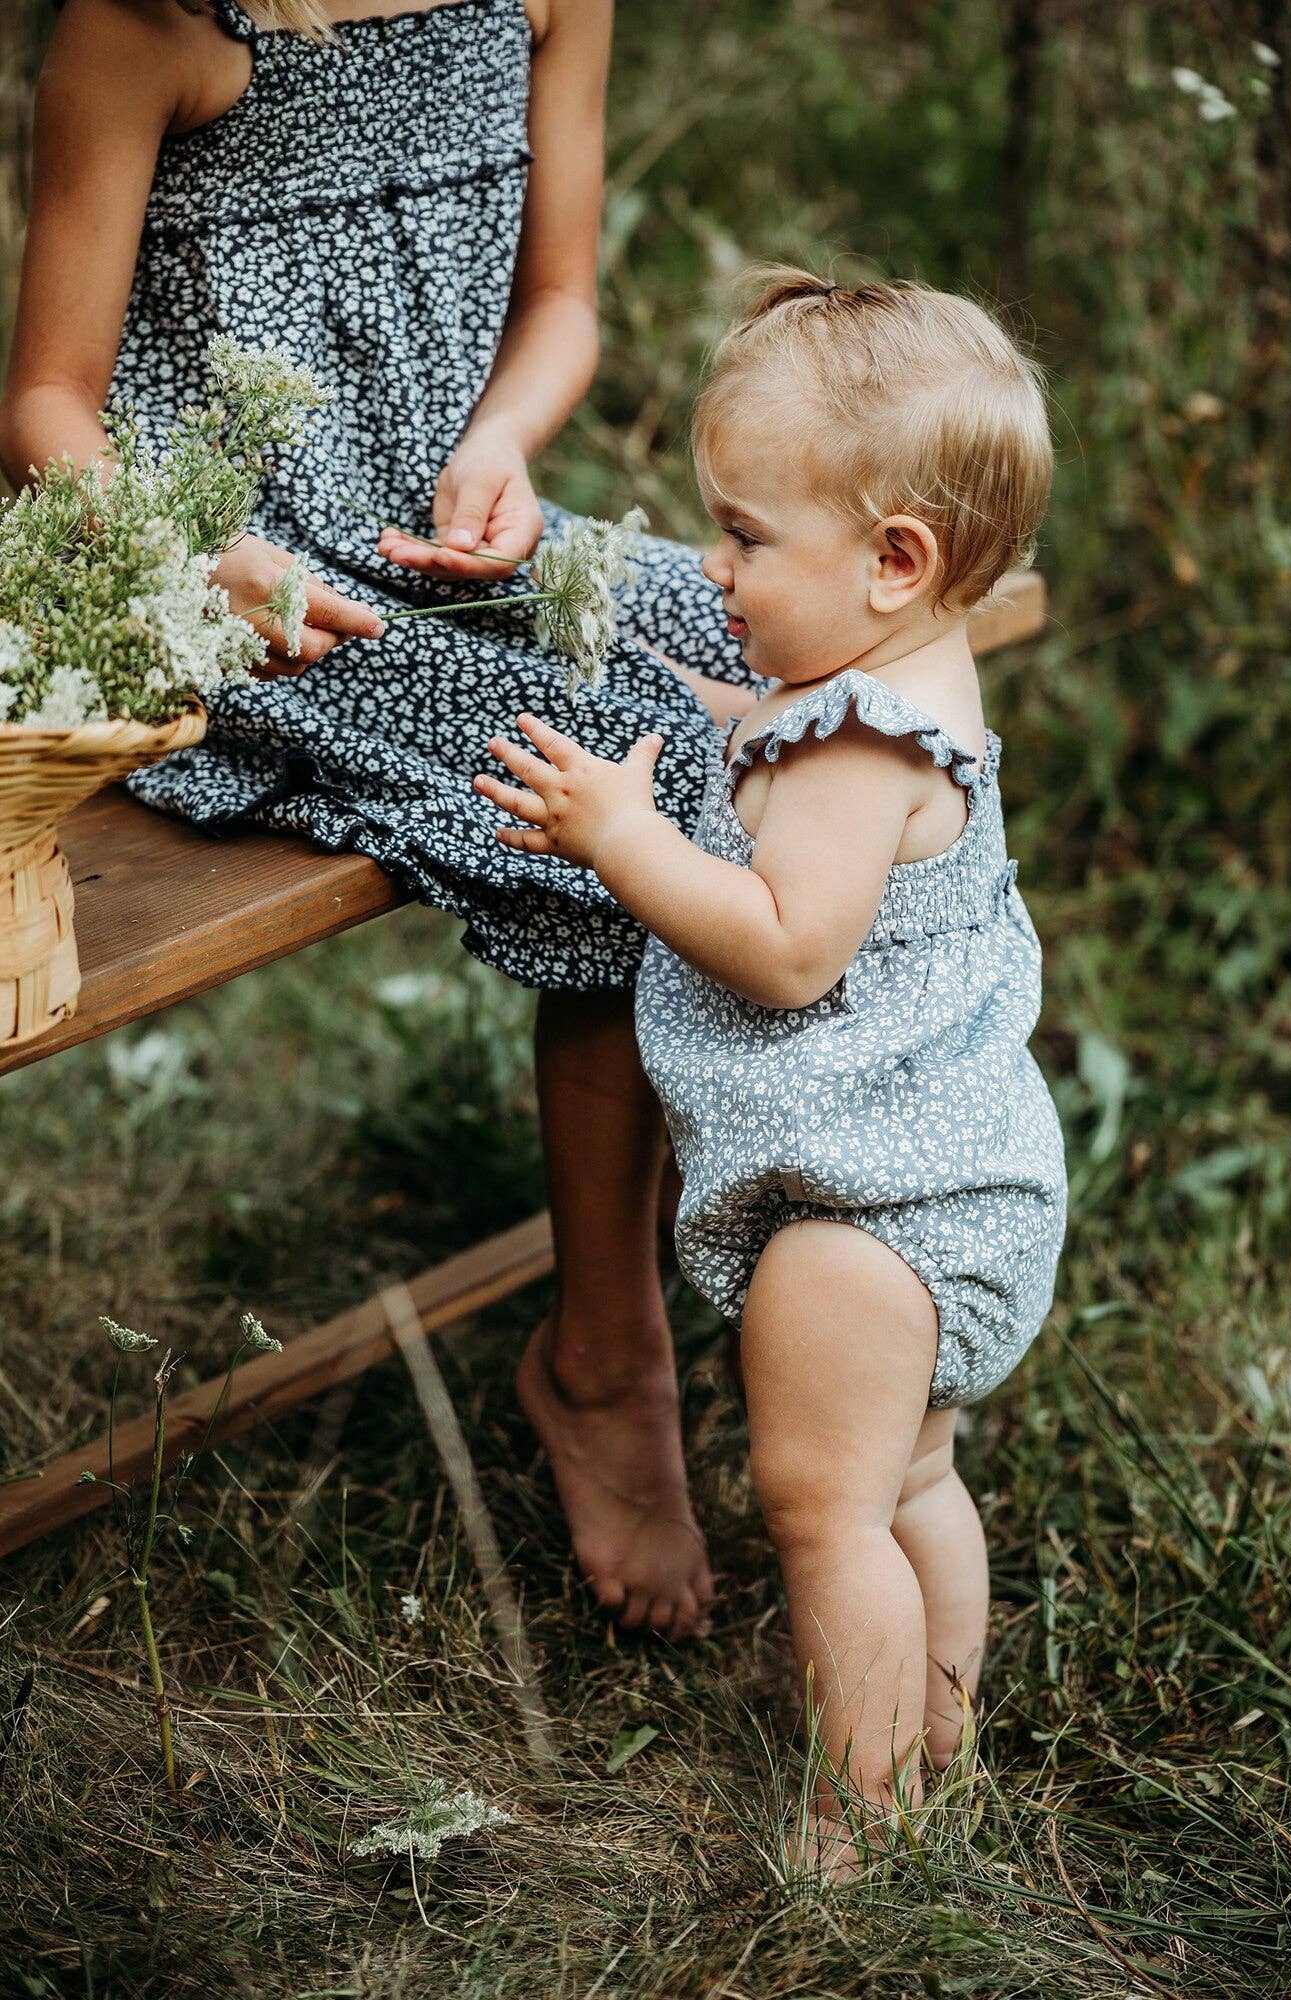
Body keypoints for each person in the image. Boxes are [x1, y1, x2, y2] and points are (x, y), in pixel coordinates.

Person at [0, 0, 752, 1638]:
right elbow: (48, 406)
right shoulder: (151, 26)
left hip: (448, 537)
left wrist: (504, 443)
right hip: (245, 600)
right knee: (635, 779)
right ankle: (606, 1358)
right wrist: (203, 559)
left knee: (784, 666)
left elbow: (558, 301)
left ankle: (853, 1228)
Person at [475, 270, 1068, 1868]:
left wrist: (618, 836)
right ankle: (938, 1732)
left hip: (864, 1219)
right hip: (958, 1190)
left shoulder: (854, 749)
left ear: (895, 561)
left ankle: (856, 1818)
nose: (719, 568)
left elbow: (788, 943)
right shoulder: (900, 686)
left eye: (743, 539)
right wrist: (730, 712)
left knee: (820, 1511)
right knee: (908, 1478)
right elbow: (792, 739)